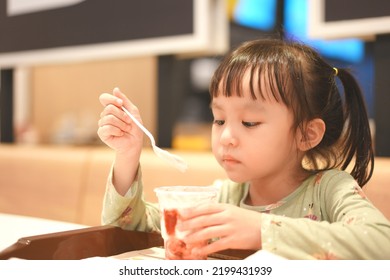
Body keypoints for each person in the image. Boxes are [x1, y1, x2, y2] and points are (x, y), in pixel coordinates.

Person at [97, 38, 390, 259]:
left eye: (249, 122)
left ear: (307, 134)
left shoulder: (328, 190)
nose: (226, 136)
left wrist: (260, 229)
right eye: (219, 119)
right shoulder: (225, 196)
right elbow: (128, 229)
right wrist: (128, 154)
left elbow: (381, 243)